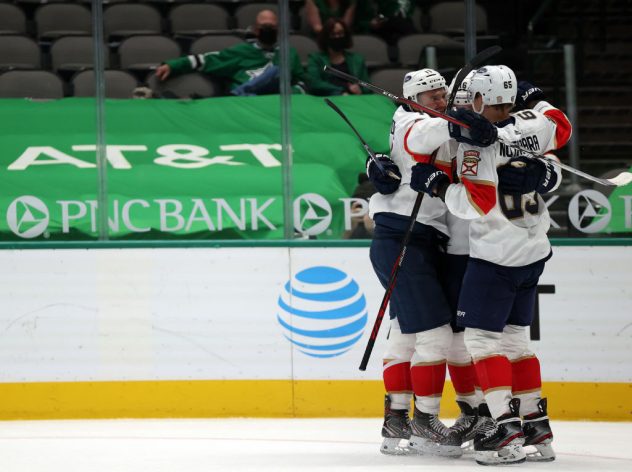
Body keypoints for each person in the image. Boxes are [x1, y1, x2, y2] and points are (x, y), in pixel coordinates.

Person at [408, 65, 572, 465]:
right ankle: (536, 424)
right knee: (517, 340)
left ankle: (504, 427)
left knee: (481, 342)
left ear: (479, 99)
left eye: (469, 98)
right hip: (534, 251)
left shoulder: (478, 144)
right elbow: (561, 125)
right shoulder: (534, 124)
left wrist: (438, 184)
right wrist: (533, 98)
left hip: (496, 256)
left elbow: (474, 204)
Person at [367, 67, 497, 457]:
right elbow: (425, 135)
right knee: (437, 336)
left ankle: (396, 418)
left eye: (443, 95)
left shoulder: (432, 123)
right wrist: (463, 121)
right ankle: (424, 421)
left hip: (422, 239)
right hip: (402, 235)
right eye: (432, 97)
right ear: (413, 100)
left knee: (406, 334)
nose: (440, 101)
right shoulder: (410, 121)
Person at [155, 10, 306, 96]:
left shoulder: (288, 53)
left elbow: (302, 82)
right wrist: (173, 65)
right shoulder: (242, 51)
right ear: (255, 30)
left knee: (276, 71)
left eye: (271, 27)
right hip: (247, 103)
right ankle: (242, 92)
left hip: (277, 102)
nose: (268, 30)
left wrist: (291, 93)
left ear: (279, 29)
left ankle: (239, 92)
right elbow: (206, 60)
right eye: (264, 26)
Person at [306, 18, 370, 96]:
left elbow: (367, 86)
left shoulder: (357, 60)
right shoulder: (315, 59)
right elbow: (314, 83)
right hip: (325, 99)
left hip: (353, 99)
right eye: (333, 34)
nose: (337, 37)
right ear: (326, 37)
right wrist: (342, 90)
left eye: (340, 33)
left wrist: (360, 90)